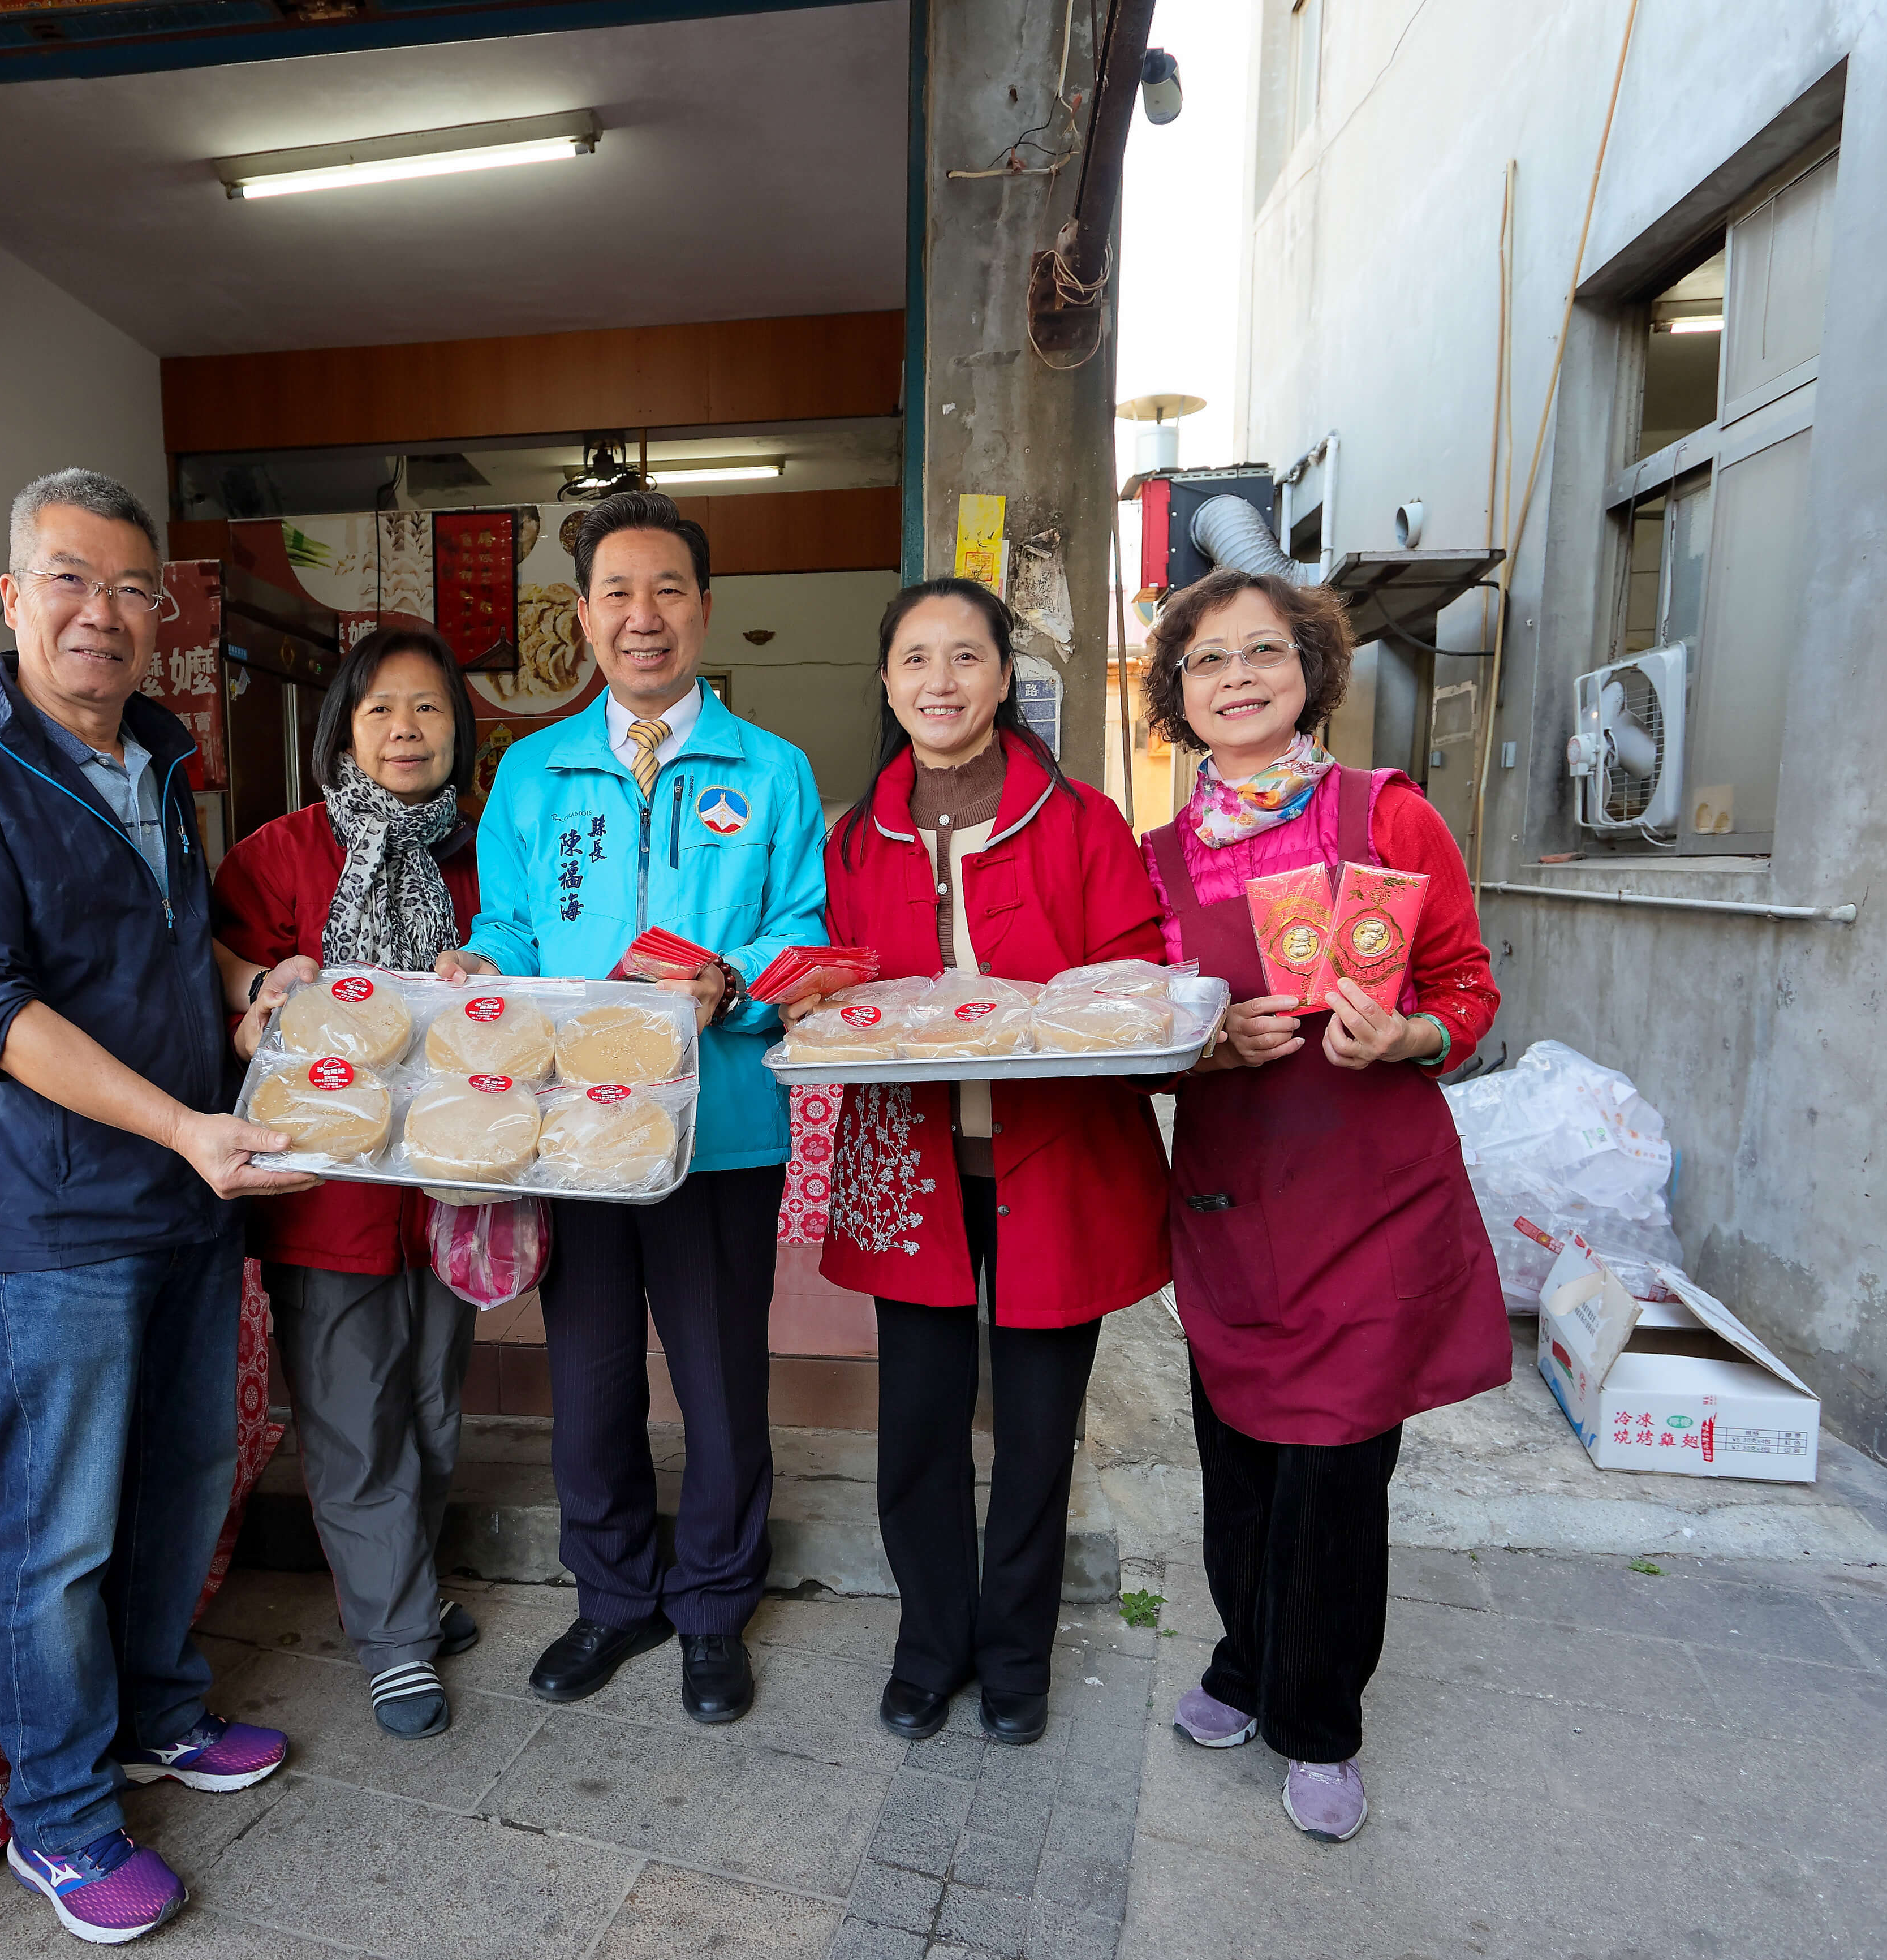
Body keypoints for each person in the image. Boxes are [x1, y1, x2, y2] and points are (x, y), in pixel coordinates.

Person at [0, 468, 305, 1946]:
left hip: (190, 1196)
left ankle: (158, 1713)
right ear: (11, 596)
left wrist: (256, 990)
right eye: (68, 580)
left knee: (188, 1478)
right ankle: (57, 1813)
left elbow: (171, 958)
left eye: (130, 590)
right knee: (59, 1530)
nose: (100, 615)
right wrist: (187, 1124)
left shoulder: (160, 759)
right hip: (61, 1220)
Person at [441, 489, 827, 1725]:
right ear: (582, 616)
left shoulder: (771, 771)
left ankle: (712, 1605)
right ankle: (611, 1596)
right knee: (592, 1376)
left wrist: (739, 981)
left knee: (719, 1380)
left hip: (718, 1132)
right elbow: (507, 920)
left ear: (705, 611)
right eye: (616, 592)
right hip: (578, 1134)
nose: (642, 616)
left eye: (666, 590)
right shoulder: (532, 772)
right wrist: (480, 968)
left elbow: (802, 933)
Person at [1140, 565, 1506, 1843]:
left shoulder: (1385, 815)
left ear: (1309, 671)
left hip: (1367, 1203)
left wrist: (1403, 1032)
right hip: (1234, 1204)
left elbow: (1467, 985)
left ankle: (1318, 1720)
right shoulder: (1158, 861)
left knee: (1335, 1476)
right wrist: (1199, 1049)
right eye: (1204, 662)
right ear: (1176, 696)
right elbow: (1139, 1034)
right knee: (1235, 1459)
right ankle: (1244, 1664)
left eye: (1260, 654)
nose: (1234, 678)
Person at [803, 579, 1170, 1747]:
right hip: (913, 1162)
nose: (940, 682)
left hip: (1054, 1160)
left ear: (1004, 679)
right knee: (915, 1425)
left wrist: (1037, 1013)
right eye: (916, 660)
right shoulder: (853, 836)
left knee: (1032, 1428)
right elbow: (833, 979)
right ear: (886, 684)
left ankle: (1015, 1656)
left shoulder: (1080, 823)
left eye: (965, 658)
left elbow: (1135, 977)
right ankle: (929, 1646)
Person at [212, 626, 489, 1741]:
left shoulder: (486, 856)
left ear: (458, 730)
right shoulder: (276, 854)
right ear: (344, 729)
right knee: (350, 1418)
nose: (405, 731)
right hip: (326, 1195)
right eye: (380, 711)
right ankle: (391, 1638)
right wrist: (257, 991)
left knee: (428, 1406)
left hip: (449, 1186)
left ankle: (405, 1589)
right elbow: (228, 986)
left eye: (426, 710)